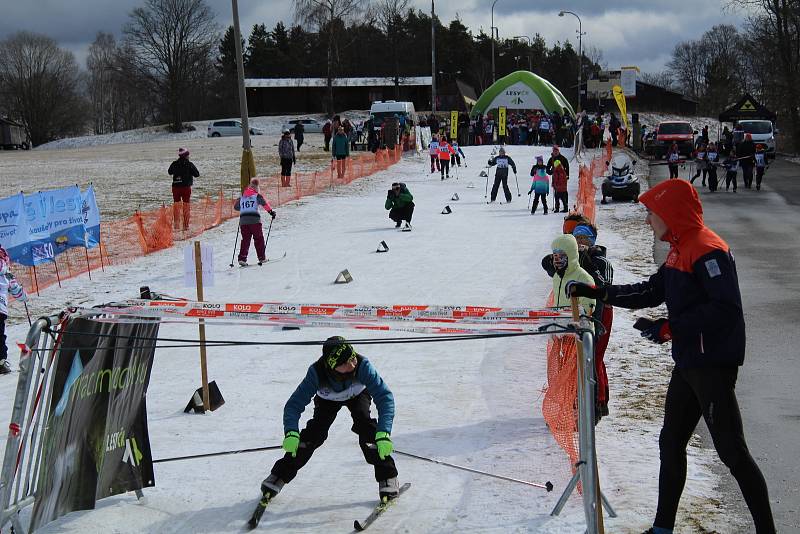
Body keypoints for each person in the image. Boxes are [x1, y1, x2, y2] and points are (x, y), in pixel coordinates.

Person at [566, 179, 776, 534]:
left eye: (651, 213)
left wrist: (669, 328)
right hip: (690, 362)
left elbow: (726, 310)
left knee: (731, 451)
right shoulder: (679, 248)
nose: (648, 220)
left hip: (712, 365)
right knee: (671, 442)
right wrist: (599, 291)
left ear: (670, 212)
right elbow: (650, 290)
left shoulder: (708, 249)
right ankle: (663, 528)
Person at [259, 336, 400, 502]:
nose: (353, 364)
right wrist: (290, 432)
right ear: (333, 365)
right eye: (346, 362)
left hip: (358, 394)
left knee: (367, 428)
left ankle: (388, 476)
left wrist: (384, 433)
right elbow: (293, 405)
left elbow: (385, 397)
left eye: (353, 357)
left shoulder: (363, 366)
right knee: (312, 435)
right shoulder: (316, 372)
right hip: (327, 398)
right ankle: (279, 475)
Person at [542, 222, 614, 421]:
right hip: (568, 322)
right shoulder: (567, 266)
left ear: (592, 241)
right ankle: (580, 403)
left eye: (585, 238)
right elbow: (548, 265)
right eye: (578, 238)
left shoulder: (597, 261)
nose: (582, 242)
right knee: (572, 364)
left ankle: (596, 405)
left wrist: (588, 261)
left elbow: (601, 288)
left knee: (592, 360)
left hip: (598, 315)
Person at [233, 178, 276, 266]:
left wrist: (244, 207)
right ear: (256, 188)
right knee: (258, 238)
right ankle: (262, 258)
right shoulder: (257, 196)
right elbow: (264, 204)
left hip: (243, 221)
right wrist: (271, 212)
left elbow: (236, 207)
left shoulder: (242, 197)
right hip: (254, 220)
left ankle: (242, 258)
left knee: (245, 239)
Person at [0, 247, 27, 375]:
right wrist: (23, 296)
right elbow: (16, 290)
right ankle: (1, 361)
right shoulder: (7, 273)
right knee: (0, 335)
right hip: (0, 308)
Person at [167, 147, 199, 230]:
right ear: (185, 156)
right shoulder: (189, 164)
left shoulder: (174, 163)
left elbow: (169, 172)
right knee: (186, 206)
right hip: (186, 188)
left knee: (176, 206)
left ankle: (176, 224)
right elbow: (197, 174)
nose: (189, 156)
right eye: (188, 155)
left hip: (176, 188)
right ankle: (186, 225)